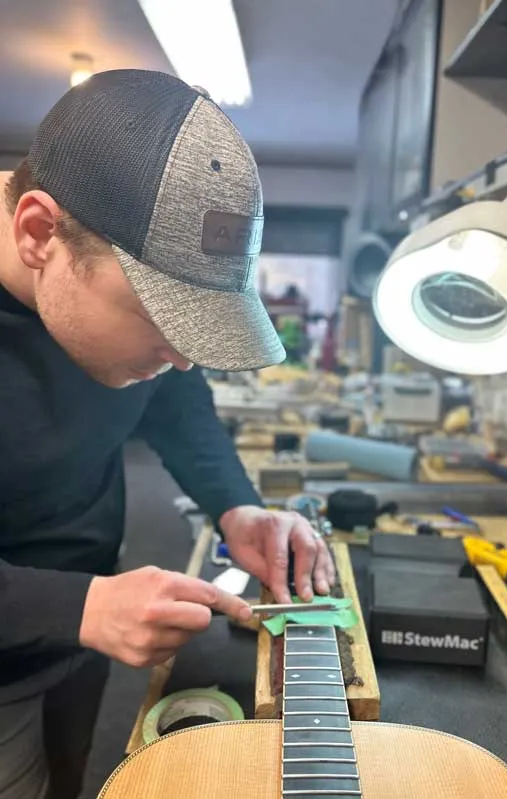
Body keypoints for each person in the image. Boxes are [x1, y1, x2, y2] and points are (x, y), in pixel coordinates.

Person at [0, 69, 336, 799]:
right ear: (38, 234)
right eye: (160, 320)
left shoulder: (116, 314)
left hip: (83, 625)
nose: (182, 357)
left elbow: (177, 402)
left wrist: (236, 506)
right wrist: (80, 606)